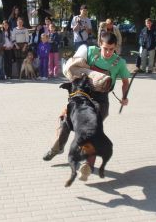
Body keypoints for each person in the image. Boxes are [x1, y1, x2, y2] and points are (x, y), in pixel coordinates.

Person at [43, 32, 130, 181]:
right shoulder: (90, 52)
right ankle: (58, 147)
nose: (108, 52)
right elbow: (76, 64)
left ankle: (87, 165)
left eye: (111, 49)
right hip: (81, 95)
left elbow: (125, 82)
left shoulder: (119, 62)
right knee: (65, 119)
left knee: (90, 129)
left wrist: (124, 97)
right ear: (99, 45)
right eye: (105, 48)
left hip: (101, 101)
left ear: (115, 47)